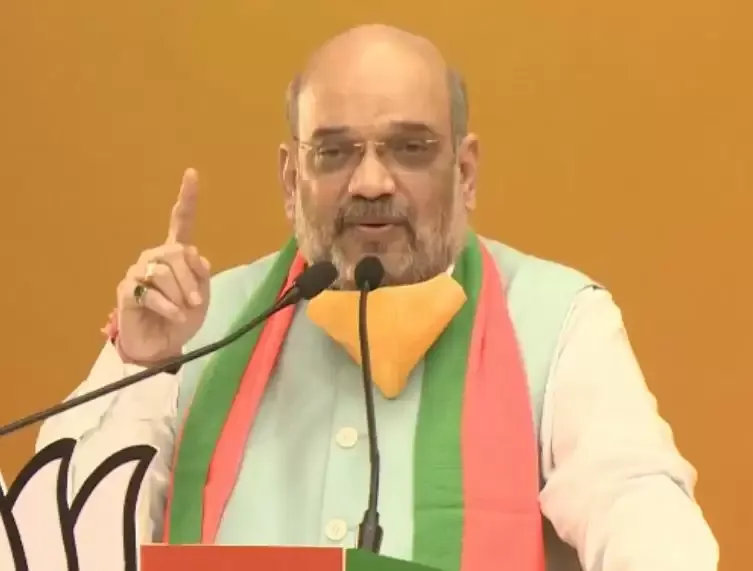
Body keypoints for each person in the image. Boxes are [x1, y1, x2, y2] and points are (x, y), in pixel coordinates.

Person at [37, 24, 718, 571]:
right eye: (334, 153)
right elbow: (57, 539)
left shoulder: (558, 320)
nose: (369, 182)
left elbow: (640, 509)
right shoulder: (202, 321)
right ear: (290, 180)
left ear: (465, 172)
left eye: (409, 148)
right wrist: (141, 367)